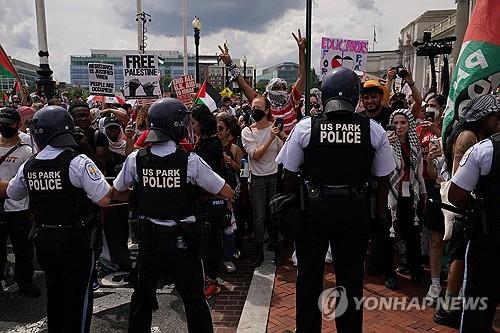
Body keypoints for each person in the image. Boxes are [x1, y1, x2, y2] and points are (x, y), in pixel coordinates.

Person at [277, 67, 395, 333]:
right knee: (350, 281)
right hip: (354, 212)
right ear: (356, 96)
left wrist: (291, 207)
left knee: (308, 278)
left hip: (313, 212)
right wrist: (377, 216)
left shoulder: (306, 127)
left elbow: (288, 173)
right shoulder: (373, 130)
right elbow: (383, 178)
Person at [110, 98, 234, 333]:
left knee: (143, 299)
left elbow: (116, 192)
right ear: (178, 125)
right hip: (183, 242)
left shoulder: (137, 158)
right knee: (194, 300)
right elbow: (227, 191)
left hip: (150, 241)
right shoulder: (190, 161)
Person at [0, 105, 112, 332]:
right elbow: (104, 199)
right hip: (75, 239)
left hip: (44, 239)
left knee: (55, 293)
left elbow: (12, 193)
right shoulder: (78, 162)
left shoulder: (29, 165)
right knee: (79, 296)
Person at [434, 94, 500, 328]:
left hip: (477, 215)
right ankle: (449, 308)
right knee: (458, 256)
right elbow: (459, 185)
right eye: (495, 116)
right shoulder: (471, 138)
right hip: (466, 209)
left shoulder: (480, 141)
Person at [217, 29, 306, 135]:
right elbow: (244, 86)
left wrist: (301, 50)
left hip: (289, 147)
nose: (281, 91)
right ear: (269, 90)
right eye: (277, 88)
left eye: (283, 88)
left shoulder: (291, 101)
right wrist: (230, 64)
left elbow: (301, 77)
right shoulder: (262, 104)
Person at [384, 109, 427, 290]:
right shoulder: (385, 144)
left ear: (409, 124)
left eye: (403, 123)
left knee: (412, 234)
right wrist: (384, 145)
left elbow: (419, 173)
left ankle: (416, 271)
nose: (399, 126)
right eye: (396, 123)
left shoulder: (415, 145)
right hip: (390, 196)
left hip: (411, 194)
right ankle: (389, 273)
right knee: (389, 235)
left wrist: (423, 192)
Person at [241, 96, 285, 266]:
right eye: (253, 107)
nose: (255, 110)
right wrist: (271, 138)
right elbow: (256, 155)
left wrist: (281, 135)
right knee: (259, 216)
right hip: (257, 179)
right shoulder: (247, 132)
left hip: (274, 176)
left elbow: (285, 151)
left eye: (259, 107)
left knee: (276, 214)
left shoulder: (274, 129)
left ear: (267, 110)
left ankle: (278, 249)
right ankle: (258, 253)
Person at [0, 108, 39, 297]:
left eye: (8, 123)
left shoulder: (27, 150)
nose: (4, 126)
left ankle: (25, 282)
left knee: (23, 249)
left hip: (19, 208)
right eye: (1, 123)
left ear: (17, 125)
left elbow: (28, 182)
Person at [190, 104, 228, 298]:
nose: (192, 126)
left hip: (210, 201)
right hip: (201, 201)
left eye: (194, 122)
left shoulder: (212, 145)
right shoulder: (202, 142)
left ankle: (212, 279)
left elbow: (208, 175)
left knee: (210, 241)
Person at [416, 94, 446, 301]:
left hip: (453, 189)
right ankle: (435, 283)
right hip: (430, 187)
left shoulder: (453, 129)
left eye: (433, 106)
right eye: (427, 106)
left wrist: (440, 133)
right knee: (434, 237)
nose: (429, 110)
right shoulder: (420, 131)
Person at [216, 112, 244, 272]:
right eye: (216, 128)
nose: (218, 132)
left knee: (231, 223)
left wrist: (231, 162)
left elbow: (243, 170)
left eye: (221, 128)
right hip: (215, 190)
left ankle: (231, 253)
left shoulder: (235, 148)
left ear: (228, 130)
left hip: (232, 189)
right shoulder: (212, 145)